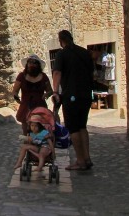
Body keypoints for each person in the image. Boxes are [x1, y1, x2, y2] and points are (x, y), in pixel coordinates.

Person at [51, 29, 95, 171]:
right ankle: (87, 158)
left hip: (71, 96)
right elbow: (91, 72)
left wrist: (55, 92)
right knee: (83, 126)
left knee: (73, 128)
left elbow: (57, 72)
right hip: (86, 95)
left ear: (61, 41)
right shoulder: (84, 52)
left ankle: (80, 161)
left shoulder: (61, 54)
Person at [12, 54, 53, 133]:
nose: (32, 65)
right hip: (26, 107)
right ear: (27, 64)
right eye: (30, 62)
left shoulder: (43, 77)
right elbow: (15, 91)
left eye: (34, 63)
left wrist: (46, 94)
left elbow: (50, 90)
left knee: (40, 130)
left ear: (38, 65)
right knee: (26, 131)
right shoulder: (21, 76)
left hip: (40, 106)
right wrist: (16, 97)